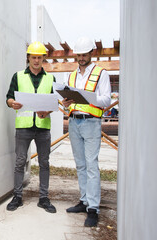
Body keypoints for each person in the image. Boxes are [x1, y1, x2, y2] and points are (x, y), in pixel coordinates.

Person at [62, 37, 111, 227]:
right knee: (81, 164)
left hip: (91, 123)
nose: (81, 58)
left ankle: (93, 209)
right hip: (74, 122)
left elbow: (106, 100)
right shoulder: (71, 76)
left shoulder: (101, 73)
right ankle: (84, 201)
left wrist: (87, 99)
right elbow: (68, 103)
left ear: (91, 53)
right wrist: (66, 103)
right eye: (79, 55)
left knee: (91, 165)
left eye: (84, 54)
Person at [5, 41, 56, 213]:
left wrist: (47, 111)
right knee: (20, 162)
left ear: (43, 59)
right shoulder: (18, 76)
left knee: (44, 163)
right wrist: (13, 104)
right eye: (33, 57)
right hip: (24, 127)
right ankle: (17, 197)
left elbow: (53, 102)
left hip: (43, 126)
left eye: (39, 57)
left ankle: (44, 198)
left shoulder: (50, 78)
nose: (36, 60)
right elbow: (9, 98)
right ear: (28, 58)